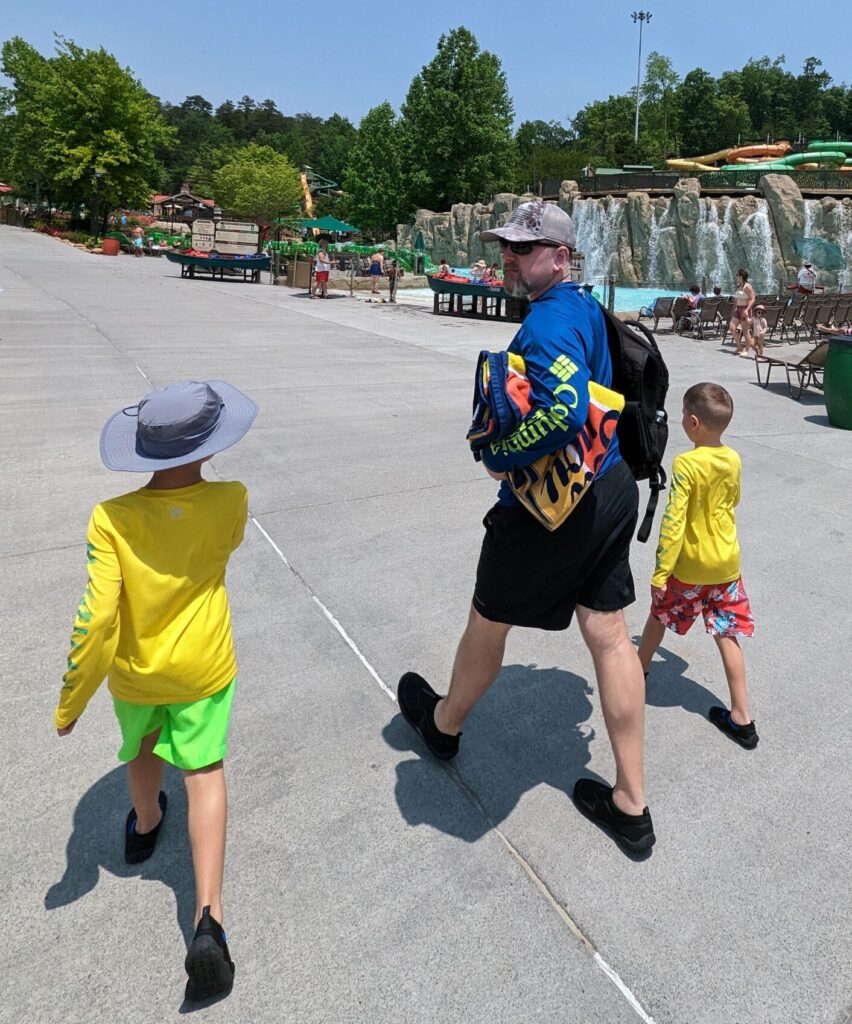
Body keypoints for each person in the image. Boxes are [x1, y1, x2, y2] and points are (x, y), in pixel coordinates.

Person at [397, 200, 656, 854]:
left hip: (552, 509)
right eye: (508, 247)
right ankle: (631, 801)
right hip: (612, 482)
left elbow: (566, 410)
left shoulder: (545, 326)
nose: (510, 258)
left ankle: (444, 725)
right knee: (608, 633)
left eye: (525, 248)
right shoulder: (584, 308)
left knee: (489, 617)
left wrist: (500, 457)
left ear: (562, 256)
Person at [54, 380, 258, 1001]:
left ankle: (144, 826)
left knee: (141, 748)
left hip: (137, 672)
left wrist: (72, 700)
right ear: (208, 445)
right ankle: (209, 919)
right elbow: (222, 548)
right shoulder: (231, 501)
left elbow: (96, 617)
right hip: (203, 667)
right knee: (204, 773)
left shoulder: (111, 519)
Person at [637, 383, 758, 750]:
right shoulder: (733, 459)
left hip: (689, 567)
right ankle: (742, 718)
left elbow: (674, 521)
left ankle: (637, 671)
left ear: (692, 422)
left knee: (660, 614)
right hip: (726, 566)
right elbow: (732, 499)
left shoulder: (686, 463)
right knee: (726, 633)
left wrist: (661, 572)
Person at [729, 269, 755, 356]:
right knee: (732, 327)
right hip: (738, 309)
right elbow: (737, 299)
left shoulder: (747, 286)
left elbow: (752, 299)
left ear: (741, 276)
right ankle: (739, 347)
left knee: (745, 331)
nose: (736, 277)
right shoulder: (739, 285)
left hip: (744, 309)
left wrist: (747, 309)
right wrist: (734, 308)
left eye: (737, 275)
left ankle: (747, 350)